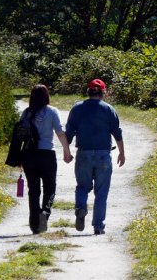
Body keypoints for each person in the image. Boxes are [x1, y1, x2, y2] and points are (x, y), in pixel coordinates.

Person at [65, 78, 125, 235]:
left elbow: (69, 132)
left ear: (88, 92)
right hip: (103, 155)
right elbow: (117, 133)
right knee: (101, 192)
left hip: (84, 153)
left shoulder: (77, 108)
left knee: (82, 186)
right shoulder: (108, 109)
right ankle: (98, 226)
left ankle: (81, 208)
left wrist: (67, 151)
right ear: (103, 92)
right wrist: (122, 153)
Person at [21, 84, 72, 234]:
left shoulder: (26, 113)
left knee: (33, 190)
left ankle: (34, 222)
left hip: (29, 155)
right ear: (47, 96)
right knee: (50, 188)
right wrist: (67, 151)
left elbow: (20, 136)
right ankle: (45, 213)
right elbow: (60, 132)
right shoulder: (52, 111)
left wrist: (19, 156)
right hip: (47, 154)